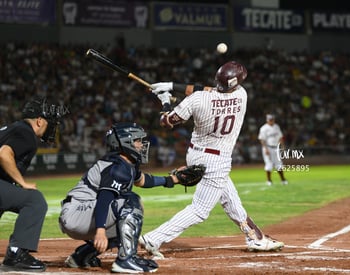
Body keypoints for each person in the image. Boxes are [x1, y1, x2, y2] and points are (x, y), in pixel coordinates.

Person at [138, 61, 284, 260]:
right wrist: (172, 87)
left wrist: (165, 100)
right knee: (200, 210)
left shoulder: (197, 99)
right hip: (218, 159)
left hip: (195, 155)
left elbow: (166, 122)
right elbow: (211, 91)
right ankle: (153, 238)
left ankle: (255, 237)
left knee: (230, 198)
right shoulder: (242, 94)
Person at [58, 122, 190, 273]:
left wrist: (172, 180)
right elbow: (104, 199)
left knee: (125, 228)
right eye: (138, 140)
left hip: (78, 213)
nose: (141, 144)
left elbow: (142, 180)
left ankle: (82, 256)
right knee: (130, 200)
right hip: (79, 213)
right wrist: (100, 231)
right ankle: (126, 260)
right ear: (126, 142)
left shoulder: (123, 164)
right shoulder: (118, 167)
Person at [0, 97, 67, 272]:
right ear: (39, 121)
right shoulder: (26, 133)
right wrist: (21, 182)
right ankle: (16, 255)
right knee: (34, 200)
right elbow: (4, 154)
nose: (52, 127)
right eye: (50, 123)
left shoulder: (12, 128)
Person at [258, 114, 288, 186]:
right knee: (269, 164)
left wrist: (283, 146)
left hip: (276, 148)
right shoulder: (264, 128)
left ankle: (283, 179)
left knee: (279, 164)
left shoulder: (276, 127)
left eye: (272, 119)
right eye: (270, 120)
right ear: (267, 120)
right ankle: (269, 180)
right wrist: (265, 149)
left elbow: (280, 137)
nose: (271, 121)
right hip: (268, 147)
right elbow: (262, 140)